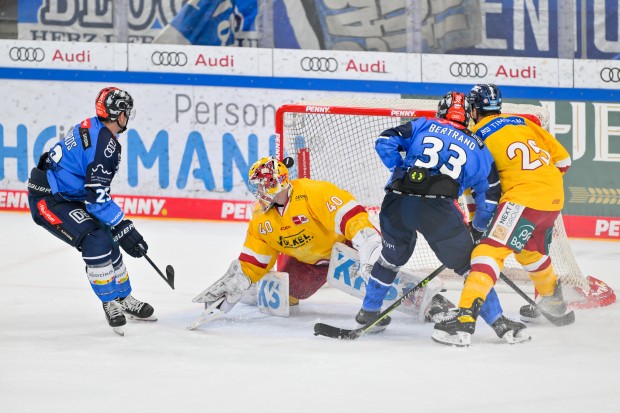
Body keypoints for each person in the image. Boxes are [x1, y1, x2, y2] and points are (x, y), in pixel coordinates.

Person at [191, 156, 452, 325]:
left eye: (262, 185)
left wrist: (368, 244)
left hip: (345, 248)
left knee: (376, 280)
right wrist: (240, 279)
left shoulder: (314, 192)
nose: (257, 192)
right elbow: (254, 258)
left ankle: (431, 301)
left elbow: (351, 217)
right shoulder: (261, 217)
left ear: (279, 183)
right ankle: (249, 293)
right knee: (292, 292)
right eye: (255, 186)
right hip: (311, 262)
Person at [360, 91, 529, 342]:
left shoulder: (422, 124)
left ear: (441, 110)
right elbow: (490, 193)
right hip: (438, 211)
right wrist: (478, 227)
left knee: (390, 259)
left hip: (397, 202)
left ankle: (368, 313)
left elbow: (385, 141)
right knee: (468, 267)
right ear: (469, 116)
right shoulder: (479, 146)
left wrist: (399, 169)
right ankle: (500, 322)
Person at [432, 84, 573, 347]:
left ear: (473, 109)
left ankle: (463, 320)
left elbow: (480, 190)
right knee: (529, 251)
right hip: (553, 196)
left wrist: (478, 227)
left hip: (522, 200)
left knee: (485, 254)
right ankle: (553, 301)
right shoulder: (523, 122)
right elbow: (564, 161)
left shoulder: (473, 136)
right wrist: (536, 183)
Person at [26, 87, 154, 335]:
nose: (128, 117)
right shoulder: (105, 145)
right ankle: (109, 301)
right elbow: (96, 198)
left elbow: (93, 191)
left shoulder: (94, 127)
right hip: (49, 199)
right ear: (118, 115)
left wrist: (119, 227)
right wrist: (123, 224)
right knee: (96, 241)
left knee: (111, 237)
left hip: (69, 195)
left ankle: (123, 298)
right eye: (127, 112)